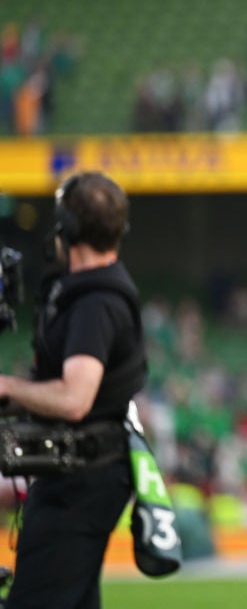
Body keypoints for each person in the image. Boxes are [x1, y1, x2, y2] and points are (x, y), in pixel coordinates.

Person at [0, 171, 145, 609]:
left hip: (79, 483)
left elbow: (74, 398)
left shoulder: (96, 302)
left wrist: (7, 386)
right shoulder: (93, 292)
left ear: (68, 230)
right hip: (83, 476)